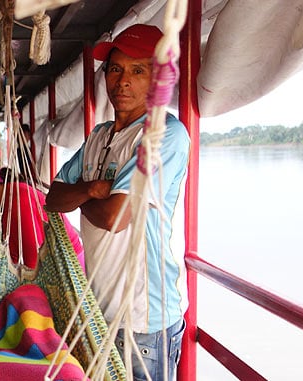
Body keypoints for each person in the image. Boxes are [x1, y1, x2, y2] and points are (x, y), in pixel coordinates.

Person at [44, 24, 189, 381]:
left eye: (138, 71)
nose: (123, 81)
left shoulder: (164, 135)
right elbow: (53, 199)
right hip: (100, 309)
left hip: (143, 319)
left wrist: (80, 197)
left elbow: (115, 217)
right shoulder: (98, 135)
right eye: (115, 69)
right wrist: (93, 189)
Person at [0, 169, 84, 270]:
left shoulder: (18, 202)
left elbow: (33, 262)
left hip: (66, 267)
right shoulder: (7, 201)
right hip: (53, 265)